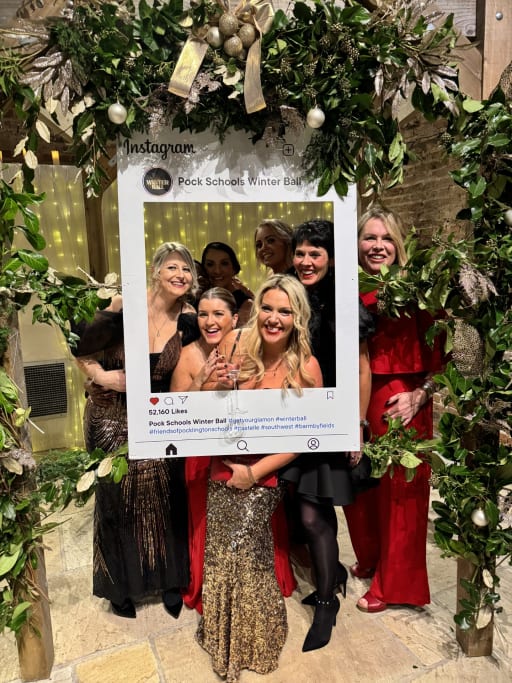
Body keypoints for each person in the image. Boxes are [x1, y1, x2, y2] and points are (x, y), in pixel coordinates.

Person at [196, 274, 323, 682]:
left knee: (247, 556)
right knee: (219, 554)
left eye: (284, 311)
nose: (273, 318)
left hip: (262, 475)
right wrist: (210, 386)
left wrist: (253, 473)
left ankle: (257, 639)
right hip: (221, 462)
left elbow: (306, 437)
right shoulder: (234, 344)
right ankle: (221, 635)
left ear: (297, 317)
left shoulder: (306, 366)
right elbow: (207, 405)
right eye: (267, 307)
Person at [72, 242, 199, 619]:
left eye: (187, 270)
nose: (180, 275)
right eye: (173, 267)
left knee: (168, 496)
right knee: (116, 498)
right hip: (111, 413)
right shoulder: (123, 304)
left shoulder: (190, 315)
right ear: (157, 270)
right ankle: (119, 586)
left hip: (160, 415)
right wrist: (100, 376)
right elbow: (78, 343)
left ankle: (171, 580)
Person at [343, 205, 445, 613]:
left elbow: (444, 360)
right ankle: (371, 558)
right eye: (370, 237)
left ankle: (396, 584)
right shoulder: (347, 286)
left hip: (401, 399)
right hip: (355, 395)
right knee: (359, 489)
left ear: (399, 245)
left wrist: (420, 396)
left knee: (402, 497)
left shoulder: (418, 290)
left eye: (387, 239)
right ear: (357, 243)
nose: (378, 246)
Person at [280, 218, 373, 653]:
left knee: (316, 513)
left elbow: (360, 368)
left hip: (332, 419)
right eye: (300, 252)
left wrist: (355, 426)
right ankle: (331, 574)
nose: (306, 260)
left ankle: (325, 601)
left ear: (331, 258)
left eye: (315, 253)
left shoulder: (344, 302)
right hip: (295, 415)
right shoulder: (290, 297)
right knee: (303, 510)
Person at [200, 241, 253, 325]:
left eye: (224, 263)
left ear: (234, 268)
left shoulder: (245, 304)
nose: (217, 271)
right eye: (210, 264)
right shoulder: (199, 299)